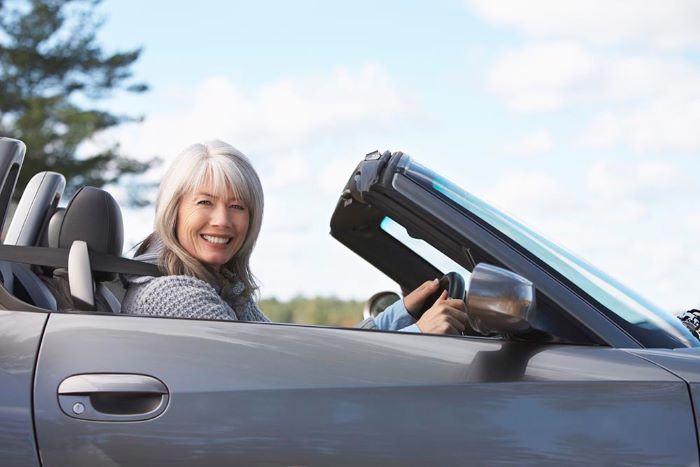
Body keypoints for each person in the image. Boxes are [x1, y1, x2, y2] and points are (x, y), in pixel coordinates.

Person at [122, 140, 468, 334]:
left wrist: (397, 317)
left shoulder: (220, 287)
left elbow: (299, 357)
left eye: (237, 206)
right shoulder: (176, 295)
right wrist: (420, 335)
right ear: (174, 209)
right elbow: (284, 378)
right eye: (205, 203)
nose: (222, 221)